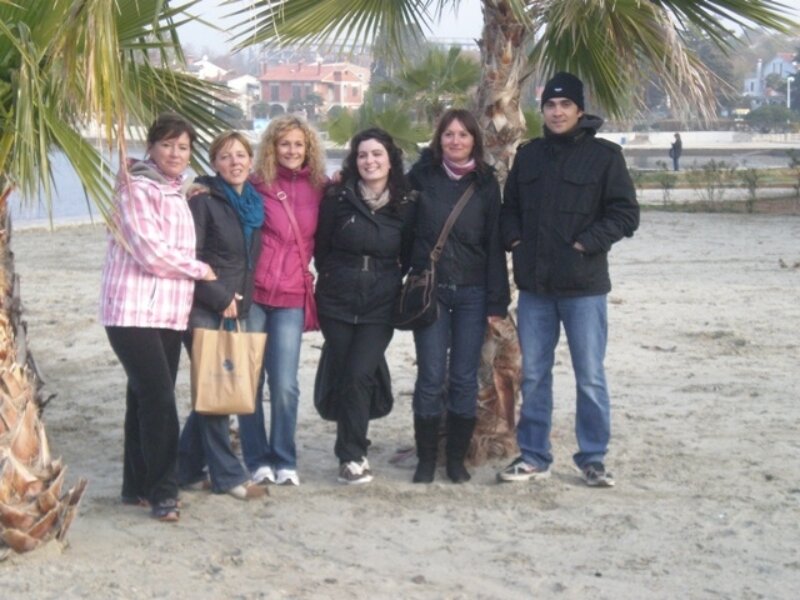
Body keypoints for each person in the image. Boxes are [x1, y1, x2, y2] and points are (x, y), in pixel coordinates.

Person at [497, 72, 640, 488]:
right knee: (534, 375)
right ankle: (533, 456)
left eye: (565, 105)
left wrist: (586, 243)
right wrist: (515, 240)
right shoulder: (529, 156)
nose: (557, 112)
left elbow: (625, 214)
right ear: (542, 110)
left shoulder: (605, 157)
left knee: (590, 376)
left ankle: (592, 458)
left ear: (580, 110)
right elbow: (510, 209)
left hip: (584, 288)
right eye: (550, 105)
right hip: (535, 290)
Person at [100, 113, 216, 522]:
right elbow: (150, 252)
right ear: (150, 147)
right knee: (160, 400)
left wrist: (193, 191)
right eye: (167, 145)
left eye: (183, 147)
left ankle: (135, 487)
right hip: (132, 311)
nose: (175, 153)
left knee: (141, 398)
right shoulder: (136, 189)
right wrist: (201, 270)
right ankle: (164, 492)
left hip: (169, 312)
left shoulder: (175, 192)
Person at [407, 108, 510, 484]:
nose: (455, 141)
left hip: (473, 292)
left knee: (464, 378)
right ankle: (425, 459)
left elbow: (494, 243)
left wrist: (497, 302)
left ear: (474, 141)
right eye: (449, 134)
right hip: (432, 291)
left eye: (463, 135)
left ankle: (455, 460)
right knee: (431, 376)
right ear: (439, 139)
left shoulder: (485, 183)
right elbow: (399, 221)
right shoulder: (421, 176)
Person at [314, 128, 415, 484]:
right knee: (347, 372)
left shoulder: (407, 203)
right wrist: (340, 276)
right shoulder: (337, 198)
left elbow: (408, 254)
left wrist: (383, 278)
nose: (369, 161)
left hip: (381, 303)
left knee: (359, 373)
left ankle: (352, 451)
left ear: (390, 159)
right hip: (336, 300)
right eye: (362, 155)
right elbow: (321, 249)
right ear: (354, 161)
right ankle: (352, 455)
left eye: (376, 154)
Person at [177, 131, 267, 501]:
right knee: (216, 389)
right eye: (226, 156)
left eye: (241, 155)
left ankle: (183, 470)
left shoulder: (253, 202)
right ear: (214, 163)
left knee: (215, 390)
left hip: (237, 307)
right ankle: (228, 476)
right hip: (204, 307)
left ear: (251, 160)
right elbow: (191, 257)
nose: (235, 162)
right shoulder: (203, 200)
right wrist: (219, 295)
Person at [239, 115, 327, 487]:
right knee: (249, 381)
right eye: (285, 144)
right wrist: (199, 187)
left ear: (308, 149)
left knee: (285, 385)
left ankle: (284, 459)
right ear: (272, 147)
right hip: (255, 295)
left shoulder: (320, 187)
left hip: (292, 296)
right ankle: (257, 459)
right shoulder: (256, 185)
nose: (291, 150)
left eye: (298, 144)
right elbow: (223, 193)